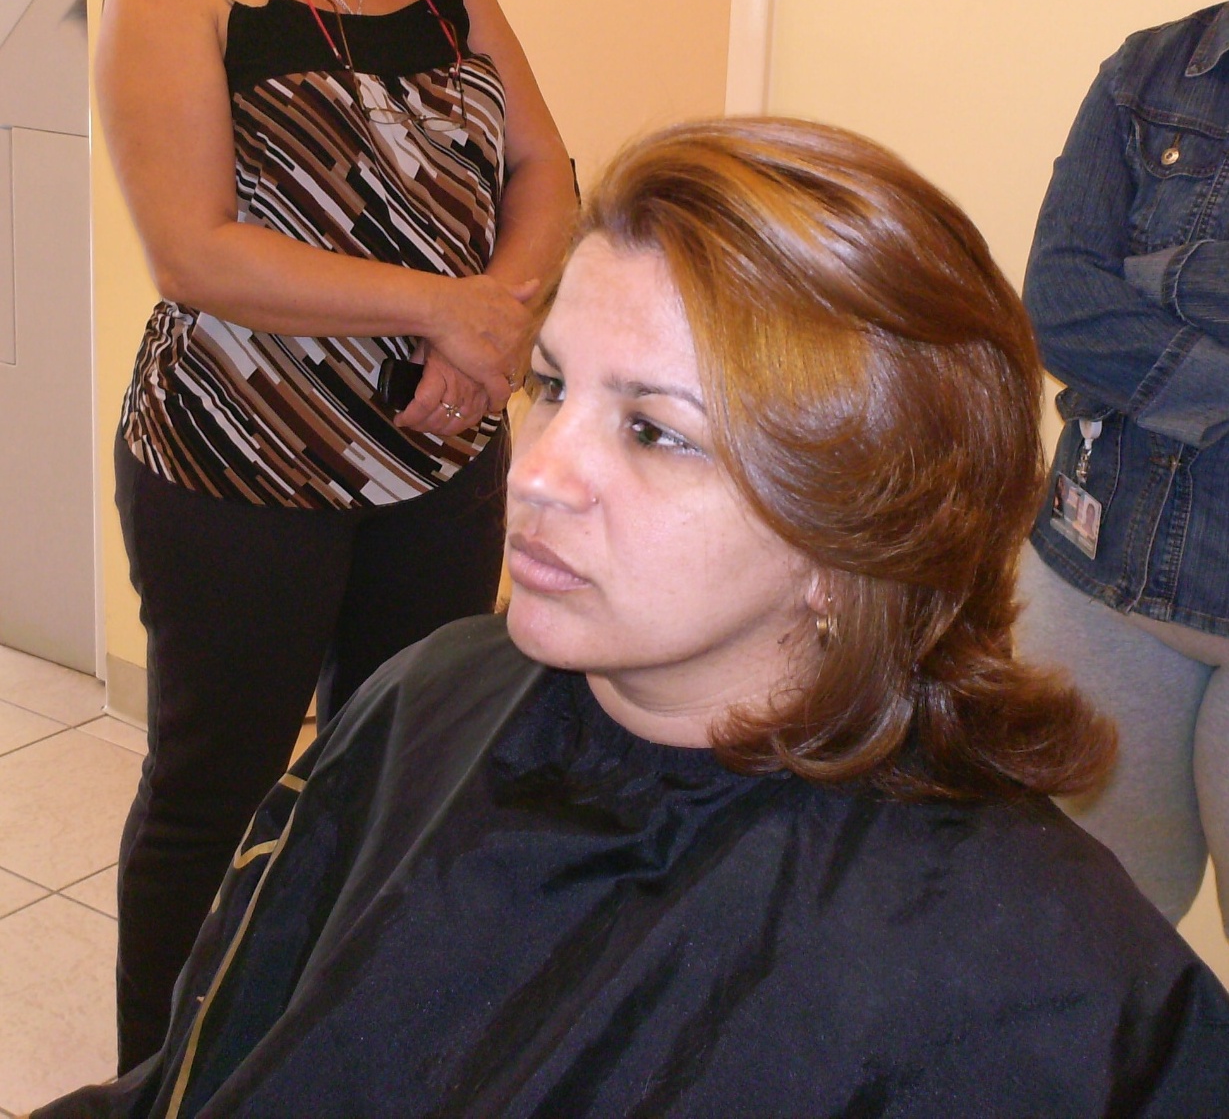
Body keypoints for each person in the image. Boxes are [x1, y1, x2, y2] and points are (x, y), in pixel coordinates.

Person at [38, 118, 1229, 1116]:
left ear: (856, 529)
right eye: (551, 386)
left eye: (655, 431)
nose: (537, 471)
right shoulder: (426, 697)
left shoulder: (1035, 974)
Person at [96, 0, 576, 1071]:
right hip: (239, 461)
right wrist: (443, 309)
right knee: (213, 797)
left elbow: (542, 166)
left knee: (403, 780)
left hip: (439, 461)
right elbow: (193, 252)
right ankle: (162, 1082)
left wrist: (494, 318)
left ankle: (339, 1054)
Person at [1015, 3, 1229, 931]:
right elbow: (1059, 306)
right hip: (1095, 586)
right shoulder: (1146, 71)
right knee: (1073, 947)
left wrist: (1163, 278)